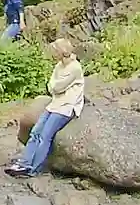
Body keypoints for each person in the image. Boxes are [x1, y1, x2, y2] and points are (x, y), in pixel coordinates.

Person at [6, 38, 85, 178]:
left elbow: (57, 86)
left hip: (67, 107)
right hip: (54, 105)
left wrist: (55, 86)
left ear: (62, 51)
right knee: (35, 132)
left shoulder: (75, 68)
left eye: (55, 50)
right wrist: (55, 87)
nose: (54, 53)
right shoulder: (59, 66)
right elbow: (51, 86)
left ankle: (34, 169)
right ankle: (24, 163)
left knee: (45, 136)